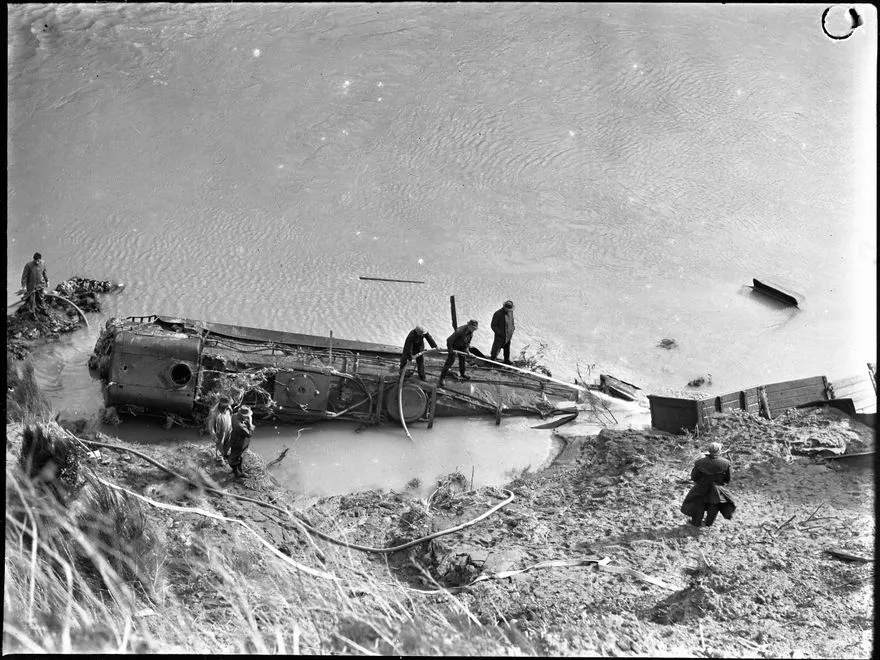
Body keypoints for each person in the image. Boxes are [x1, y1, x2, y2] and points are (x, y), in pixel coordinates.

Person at [680, 442, 736, 528]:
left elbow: (694, 477)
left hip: (701, 487)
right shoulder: (726, 463)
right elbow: (727, 479)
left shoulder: (700, 462)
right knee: (714, 505)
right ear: (719, 451)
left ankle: (696, 523)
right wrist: (719, 484)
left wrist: (700, 482)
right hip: (717, 489)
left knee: (699, 503)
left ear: (709, 451)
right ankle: (708, 523)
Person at [437, 320, 479, 387]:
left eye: (475, 329)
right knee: (450, 361)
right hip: (454, 346)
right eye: (473, 328)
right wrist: (451, 350)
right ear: (469, 325)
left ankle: (462, 374)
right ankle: (442, 378)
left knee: (462, 360)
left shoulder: (471, 332)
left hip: (462, 347)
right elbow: (449, 340)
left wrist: (467, 351)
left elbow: (468, 343)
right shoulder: (460, 331)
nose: (474, 330)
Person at [226, 406, 255, 478]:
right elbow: (249, 434)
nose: (248, 417)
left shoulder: (234, 415)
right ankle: (237, 473)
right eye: (247, 416)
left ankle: (237, 470)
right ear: (243, 415)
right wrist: (251, 425)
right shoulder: (240, 426)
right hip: (240, 443)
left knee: (236, 454)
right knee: (238, 456)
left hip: (234, 439)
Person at [490, 300, 516, 364]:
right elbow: (493, 325)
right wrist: (499, 333)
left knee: (507, 349)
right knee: (496, 349)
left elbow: (512, 321)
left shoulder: (511, 312)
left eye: (510, 309)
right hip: (500, 336)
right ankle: (492, 361)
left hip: (508, 335)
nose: (509, 310)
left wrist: (512, 329)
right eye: (508, 309)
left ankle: (506, 360)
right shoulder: (498, 314)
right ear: (504, 307)